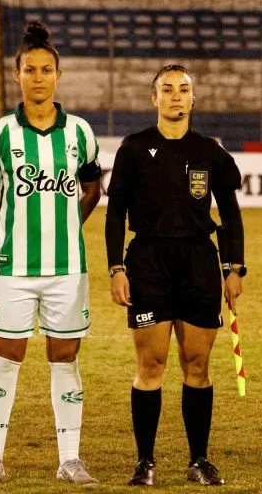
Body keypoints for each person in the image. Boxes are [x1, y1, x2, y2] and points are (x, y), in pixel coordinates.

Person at [0, 21, 103, 485]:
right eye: (31, 69)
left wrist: (67, 224)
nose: (39, 77)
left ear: (58, 76)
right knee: (5, 359)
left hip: (68, 268)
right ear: (18, 76)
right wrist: (6, 228)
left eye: (47, 69)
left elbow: (92, 187)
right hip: (13, 267)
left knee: (65, 359)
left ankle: (70, 459)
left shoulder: (81, 132)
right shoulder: (2, 132)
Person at [105, 64, 245, 487]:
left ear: (193, 98)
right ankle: (145, 462)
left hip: (199, 263)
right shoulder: (133, 149)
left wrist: (234, 266)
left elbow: (232, 215)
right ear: (155, 99)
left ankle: (199, 460)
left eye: (184, 90)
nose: (176, 96)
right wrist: (116, 268)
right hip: (148, 262)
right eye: (167, 90)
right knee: (151, 363)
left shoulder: (210, 152)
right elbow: (114, 214)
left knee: (197, 364)